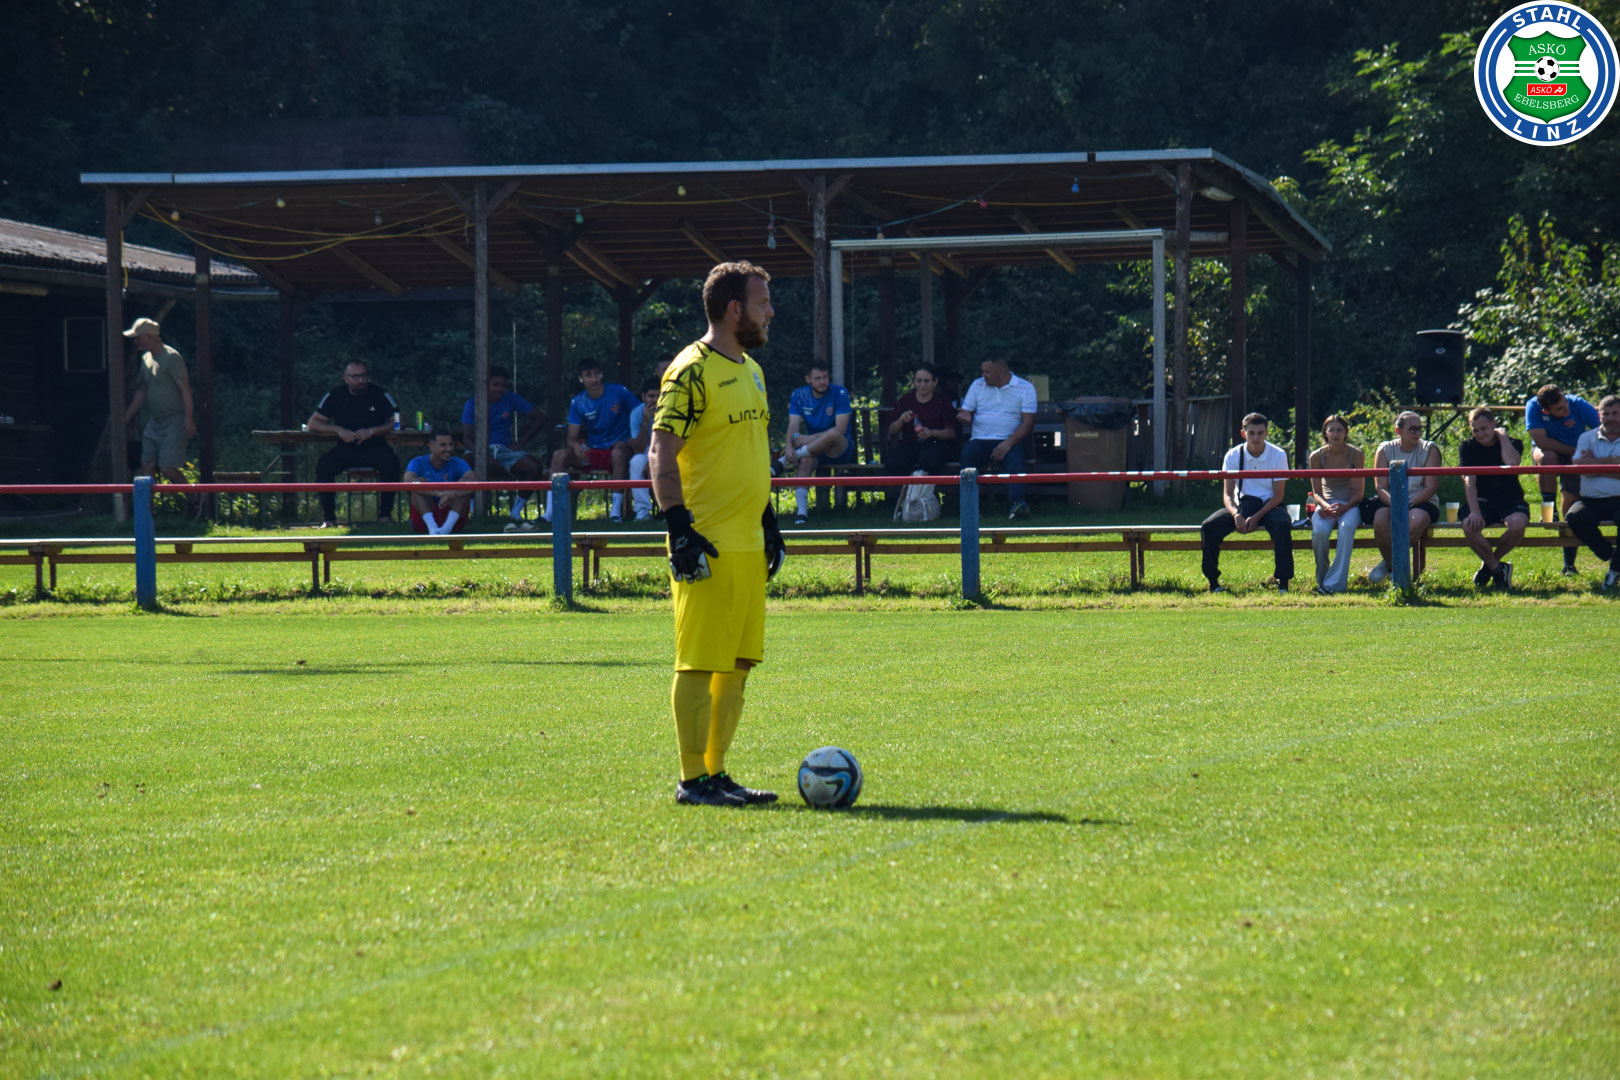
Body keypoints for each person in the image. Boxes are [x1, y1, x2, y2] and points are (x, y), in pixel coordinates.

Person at [648, 260, 784, 807]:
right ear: (734, 309)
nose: (770, 312)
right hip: (706, 541)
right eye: (762, 302)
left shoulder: (753, 370)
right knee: (700, 661)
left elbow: (747, 452)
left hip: (748, 541)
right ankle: (692, 780)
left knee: (738, 663)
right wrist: (678, 527)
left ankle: (716, 772)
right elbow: (660, 451)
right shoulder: (690, 371)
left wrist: (767, 518)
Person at [1201, 412, 1294, 593]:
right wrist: (1236, 514)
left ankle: (1283, 583)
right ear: (1243, 434)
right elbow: (1227, 495)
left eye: (1260, 433)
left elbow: (1278, 496)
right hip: (1241, 505)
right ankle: (1213, 583)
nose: (1256, 438)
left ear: (1267, 433)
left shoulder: (1278, 454)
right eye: (1251, 433)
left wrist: (1257, 516)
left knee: (1283, 524)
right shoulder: (1233, 455)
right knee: (1208, 526)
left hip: (1269, 505)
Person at [306, 359, 402, 528]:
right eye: (356, 377)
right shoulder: (335, 395)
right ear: (346, 378)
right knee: (324, 465)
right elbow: (313, 423)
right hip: (346, 448)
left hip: (375, 446)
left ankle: (385, 516)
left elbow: (398, 422)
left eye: (364, 376)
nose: (361, 380)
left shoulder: (380, 394)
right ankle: (329, 519)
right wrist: (338, 430)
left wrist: (372, 431)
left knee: (391, 463)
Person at [545, 360, 639, 523]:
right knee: (559, 455)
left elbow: (641, 413)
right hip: (593, 450)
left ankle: (615, 513)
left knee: (618, 454)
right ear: (581, 379)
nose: (594, 379)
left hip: (619, 449)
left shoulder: (619, 391)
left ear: (601, 374)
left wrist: (630, 440)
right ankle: (549, 513)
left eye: (597, 374)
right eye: (588, 375)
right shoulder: (577, 401)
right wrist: (576, 445)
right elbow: (571, 438)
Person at [119, 317, 197, 509]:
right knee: (147, 465)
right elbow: (142, 390)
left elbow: (185, 387)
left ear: (148, 336)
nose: (135, 341)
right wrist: (127, 416)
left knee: (167, 467)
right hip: (155, 422)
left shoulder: (172, 357)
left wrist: (188, 418)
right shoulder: (146, 359)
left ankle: (195, 498)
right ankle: (148, 510)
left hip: (175, 419)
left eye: (138, 337)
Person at [1526, 383, 1601, 574]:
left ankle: (1569, 564)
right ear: (1546, 411)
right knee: (1548, 457)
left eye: (1565, 403)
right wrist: (1572, 450)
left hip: (1575, 456)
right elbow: (1541, 442)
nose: (1566, 409)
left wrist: (1585, 452)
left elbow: (1604, 431)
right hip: (1554, 452)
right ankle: (1549, 509)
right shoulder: (1533, 407)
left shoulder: (1579, 405)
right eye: (1559, 409)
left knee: (1570, 502)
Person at [460, 366, 545, 533]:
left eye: (503, 385)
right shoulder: (472, 404)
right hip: (479, 450)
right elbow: (467, 439)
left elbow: (540, 417)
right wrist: (483, 455)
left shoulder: (510, 398)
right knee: (464, 464)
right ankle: (472, 512)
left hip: (504, 451)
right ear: (486, 385)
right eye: (495, 385)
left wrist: (521, 442)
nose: (499, 389)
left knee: (534, 466)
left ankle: (516, 513)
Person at [956, 355, 1039, 519]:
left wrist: (1008, 443)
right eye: (983, 371)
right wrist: (965, 416)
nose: (983, 375)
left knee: (1015, 460)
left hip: (1010, 440)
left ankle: (1017, 506)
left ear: (1000, 372)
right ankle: (969, 508)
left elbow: (1028, 423)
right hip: (980, 440)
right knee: (968, 455)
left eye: (987, 372)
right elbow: (967, 411)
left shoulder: (1026, 388)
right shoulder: (977, 385)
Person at [1458, 406, 1528, 590]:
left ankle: (1489, 567)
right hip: (1481, 500)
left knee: (1517, 525)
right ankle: (1498, 569)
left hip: (1511, 499)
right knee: (1469, 526)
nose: (1480, 434)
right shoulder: (1467, 447)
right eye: (1475, 430)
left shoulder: (1513, 443)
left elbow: (1512, 463)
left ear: (1493, 425)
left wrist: (1503, 437)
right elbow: (1469, 480)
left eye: (1484, 429)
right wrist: (1474, 511)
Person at [1368, 411, 1442, 584]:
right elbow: (1380, 487)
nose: (1418, 433)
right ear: (1398, 430)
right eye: (1412, 429)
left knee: (1416, 520)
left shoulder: (1430, 449)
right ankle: (1393, 567)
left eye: (1420, 428)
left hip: (1422, 501)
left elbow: (1430, 487)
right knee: (1380, 519)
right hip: (1391, 500)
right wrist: (1396, 503)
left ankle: (1390, 565)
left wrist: (1408, 503)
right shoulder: (1385, 449)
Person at [781, 362, 853, 526]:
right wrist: (789, 447)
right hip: (813, 450)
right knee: (806, 460)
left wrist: (809, 439)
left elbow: (841, 429)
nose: (823, 382)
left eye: (825, 377)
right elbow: (793, 425)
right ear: (808, 379)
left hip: (839, 448)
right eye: (818, 378)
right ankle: (801, 514)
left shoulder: (840, 392)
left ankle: (788, 460)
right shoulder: (799, 394)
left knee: (834, 434)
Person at [1566, 394, 1620, 591]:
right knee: (1574, 517)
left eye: (1615, 413)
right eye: (1606, 414)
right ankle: (1611, 556)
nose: (1611, 418)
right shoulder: (1586, 437)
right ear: (1599, 415)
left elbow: (1587, 467)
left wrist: (1595, 464)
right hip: (1590, 499)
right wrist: (1612, 462)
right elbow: (1580, 467)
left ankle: (1614, 571)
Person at [1307, 414, 1364, 594]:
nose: (1335, 434)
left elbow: (1359, 492)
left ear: (1346, 432)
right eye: (1331, 430)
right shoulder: (1316, 456)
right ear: (1325, 433)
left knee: (1346, 528)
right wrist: (1325, 506)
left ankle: (1335, 584)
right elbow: (1316, 492)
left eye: (1339, 430)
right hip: (1326, 504)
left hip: (1350, 505)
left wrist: (1345, 507)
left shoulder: (1356, 454)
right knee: (1320, 532)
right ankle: (1323, 579)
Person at [884, 363, 959, 477]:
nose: (922, 385)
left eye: (926, 381)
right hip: (910, 443)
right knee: (893, 462)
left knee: (929, 461)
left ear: (935, 382)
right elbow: (892, 430)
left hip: (935, 443)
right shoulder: (906, 400)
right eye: (919, 381)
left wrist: (931, 432)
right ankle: (909, 486)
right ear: (914, 382)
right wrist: (901, 420)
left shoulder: (942, 401)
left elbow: (951, 432)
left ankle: (923, 487)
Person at [404, 429, 472, 535]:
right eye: (443, 445)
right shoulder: (418, 462)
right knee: (418, 484)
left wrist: (453, 493)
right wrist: (439, 493)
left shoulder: (458, 462)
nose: (449, 449)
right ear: (431, 446)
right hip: (424, 519)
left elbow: (474, 481)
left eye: (451, 445)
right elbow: (408, 480)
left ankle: (446, 529)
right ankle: (432, 528)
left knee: (464, 484)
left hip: (453, 519)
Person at [626, 379, 660, 522]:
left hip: (666, 450)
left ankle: (668, 509)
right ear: (644, 397)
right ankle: (642, 511)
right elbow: (638, 449)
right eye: (651, 396)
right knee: (636, 461)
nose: (655, 400)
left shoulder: (670, 410)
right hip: (645, 450)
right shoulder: (637, 413)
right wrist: (645, 422)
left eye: (659, 396)